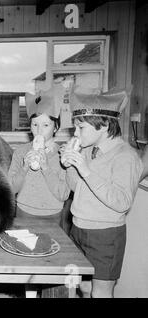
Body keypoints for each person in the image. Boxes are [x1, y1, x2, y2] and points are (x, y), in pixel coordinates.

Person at [60, 87, 143, 298]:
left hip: (105, 235)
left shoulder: (126, 156)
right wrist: (70, 164)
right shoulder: (87, 149)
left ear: (104, 125)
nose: (75, 134)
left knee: (101, 293)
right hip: (78, 227)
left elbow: (122, 202)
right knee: (84, 288)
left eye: (80, 128)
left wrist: (86, 171)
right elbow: (75, 188)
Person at [8, 88, 70, 224]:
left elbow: (63, 194)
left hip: (53, 215)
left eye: (46, 125)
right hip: (23, 212)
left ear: (56, 127)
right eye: (35, 124)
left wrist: (46, 168)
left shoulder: (64, 155)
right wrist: (24, 168)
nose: (39, 130)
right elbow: (11, 189)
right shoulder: (20, 152)